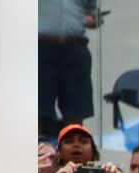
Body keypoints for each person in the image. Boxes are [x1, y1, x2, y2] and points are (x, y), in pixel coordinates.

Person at [38, 1, 98, 136]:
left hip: (75, 47)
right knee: (38, 108)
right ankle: (36, 152)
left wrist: (92, 19)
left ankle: (72, 153)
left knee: (76, 111)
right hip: (43, 46)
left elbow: (91, 12)